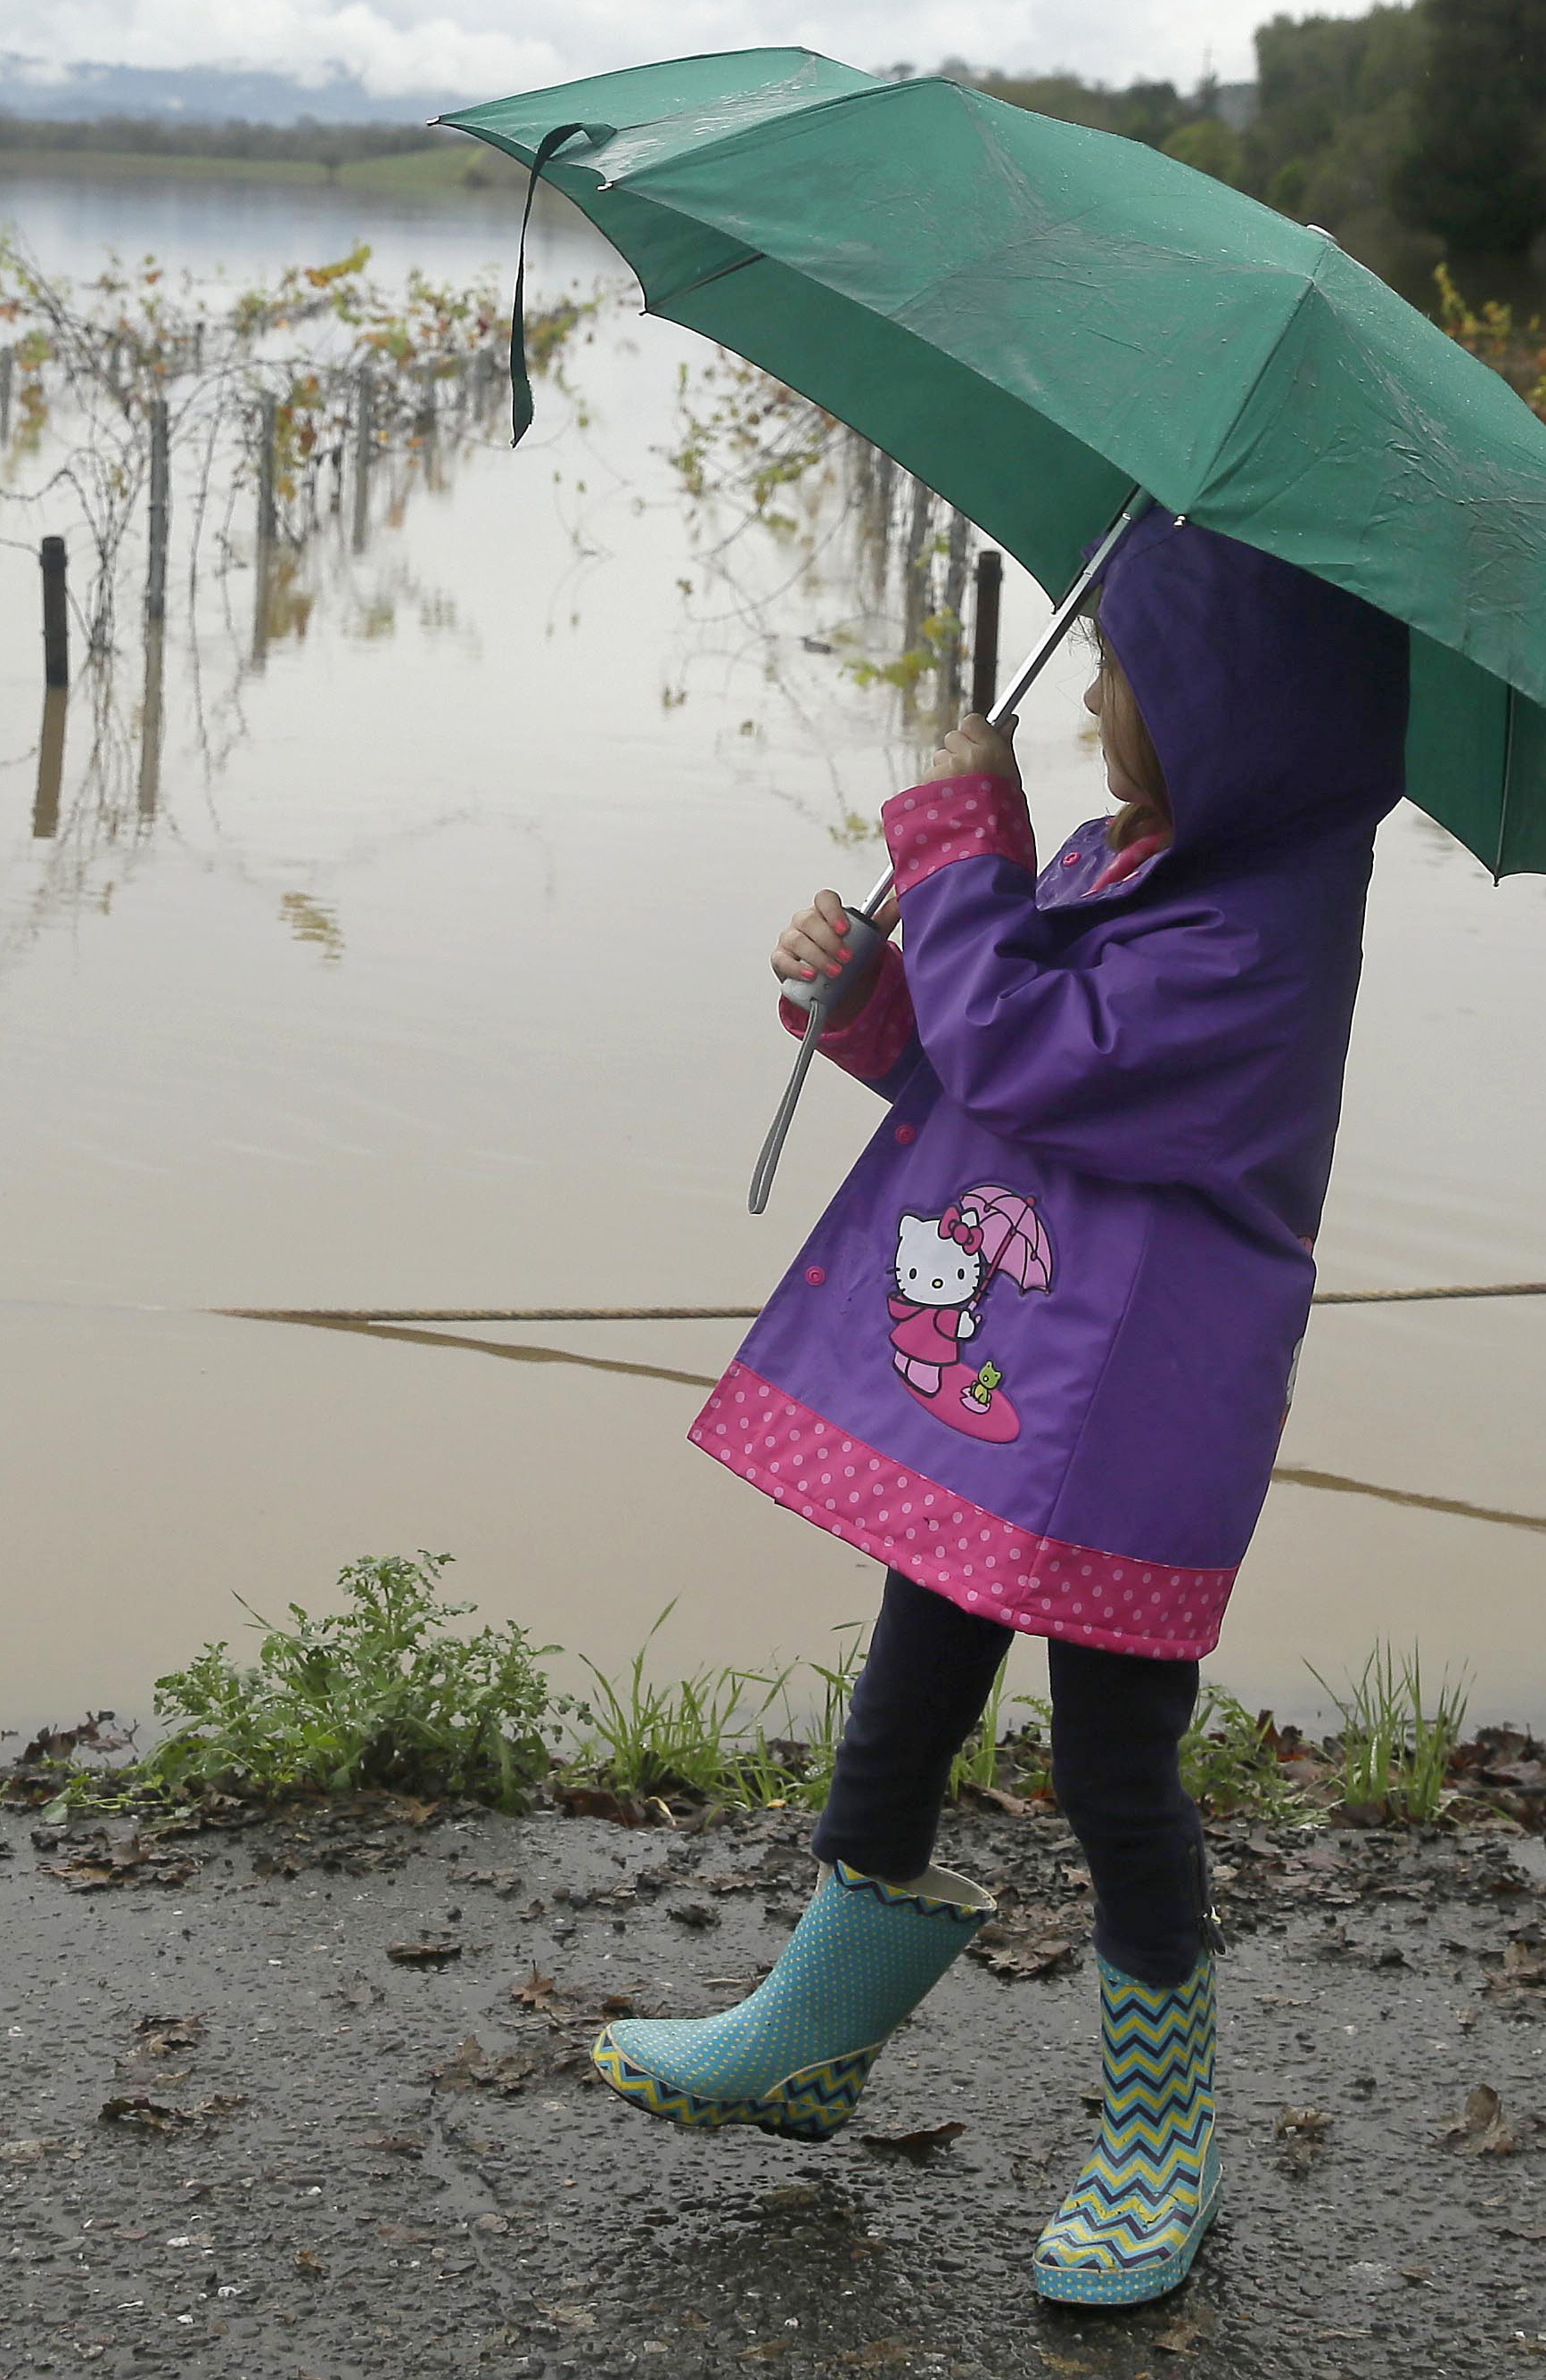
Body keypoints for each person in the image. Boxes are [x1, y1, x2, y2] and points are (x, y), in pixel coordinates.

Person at [589, 515, 1408, 2310]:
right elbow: (987, 1065)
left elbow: (1051, 1056)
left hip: (1135, 1419)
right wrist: (873, 994)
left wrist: (961, 844)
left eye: (1123, 671)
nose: (1095, 694)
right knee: (906, 1692)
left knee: (1115, 1759)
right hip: (1019, 1374)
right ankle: (811, 2033)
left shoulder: (1267, 935)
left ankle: (1156, 2128)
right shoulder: (1134, 856)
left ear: (1230, 712)